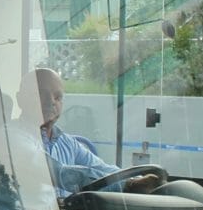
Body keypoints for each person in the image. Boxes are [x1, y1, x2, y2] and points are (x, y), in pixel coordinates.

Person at [25, 67, 158, 194]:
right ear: (22, 98)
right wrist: (128, 185)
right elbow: (61, 174)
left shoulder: (66, 142)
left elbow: (100, 167)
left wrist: (136, 178)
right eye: (42, 95)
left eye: (58, 97)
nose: (52, 102)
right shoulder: (11, 139)